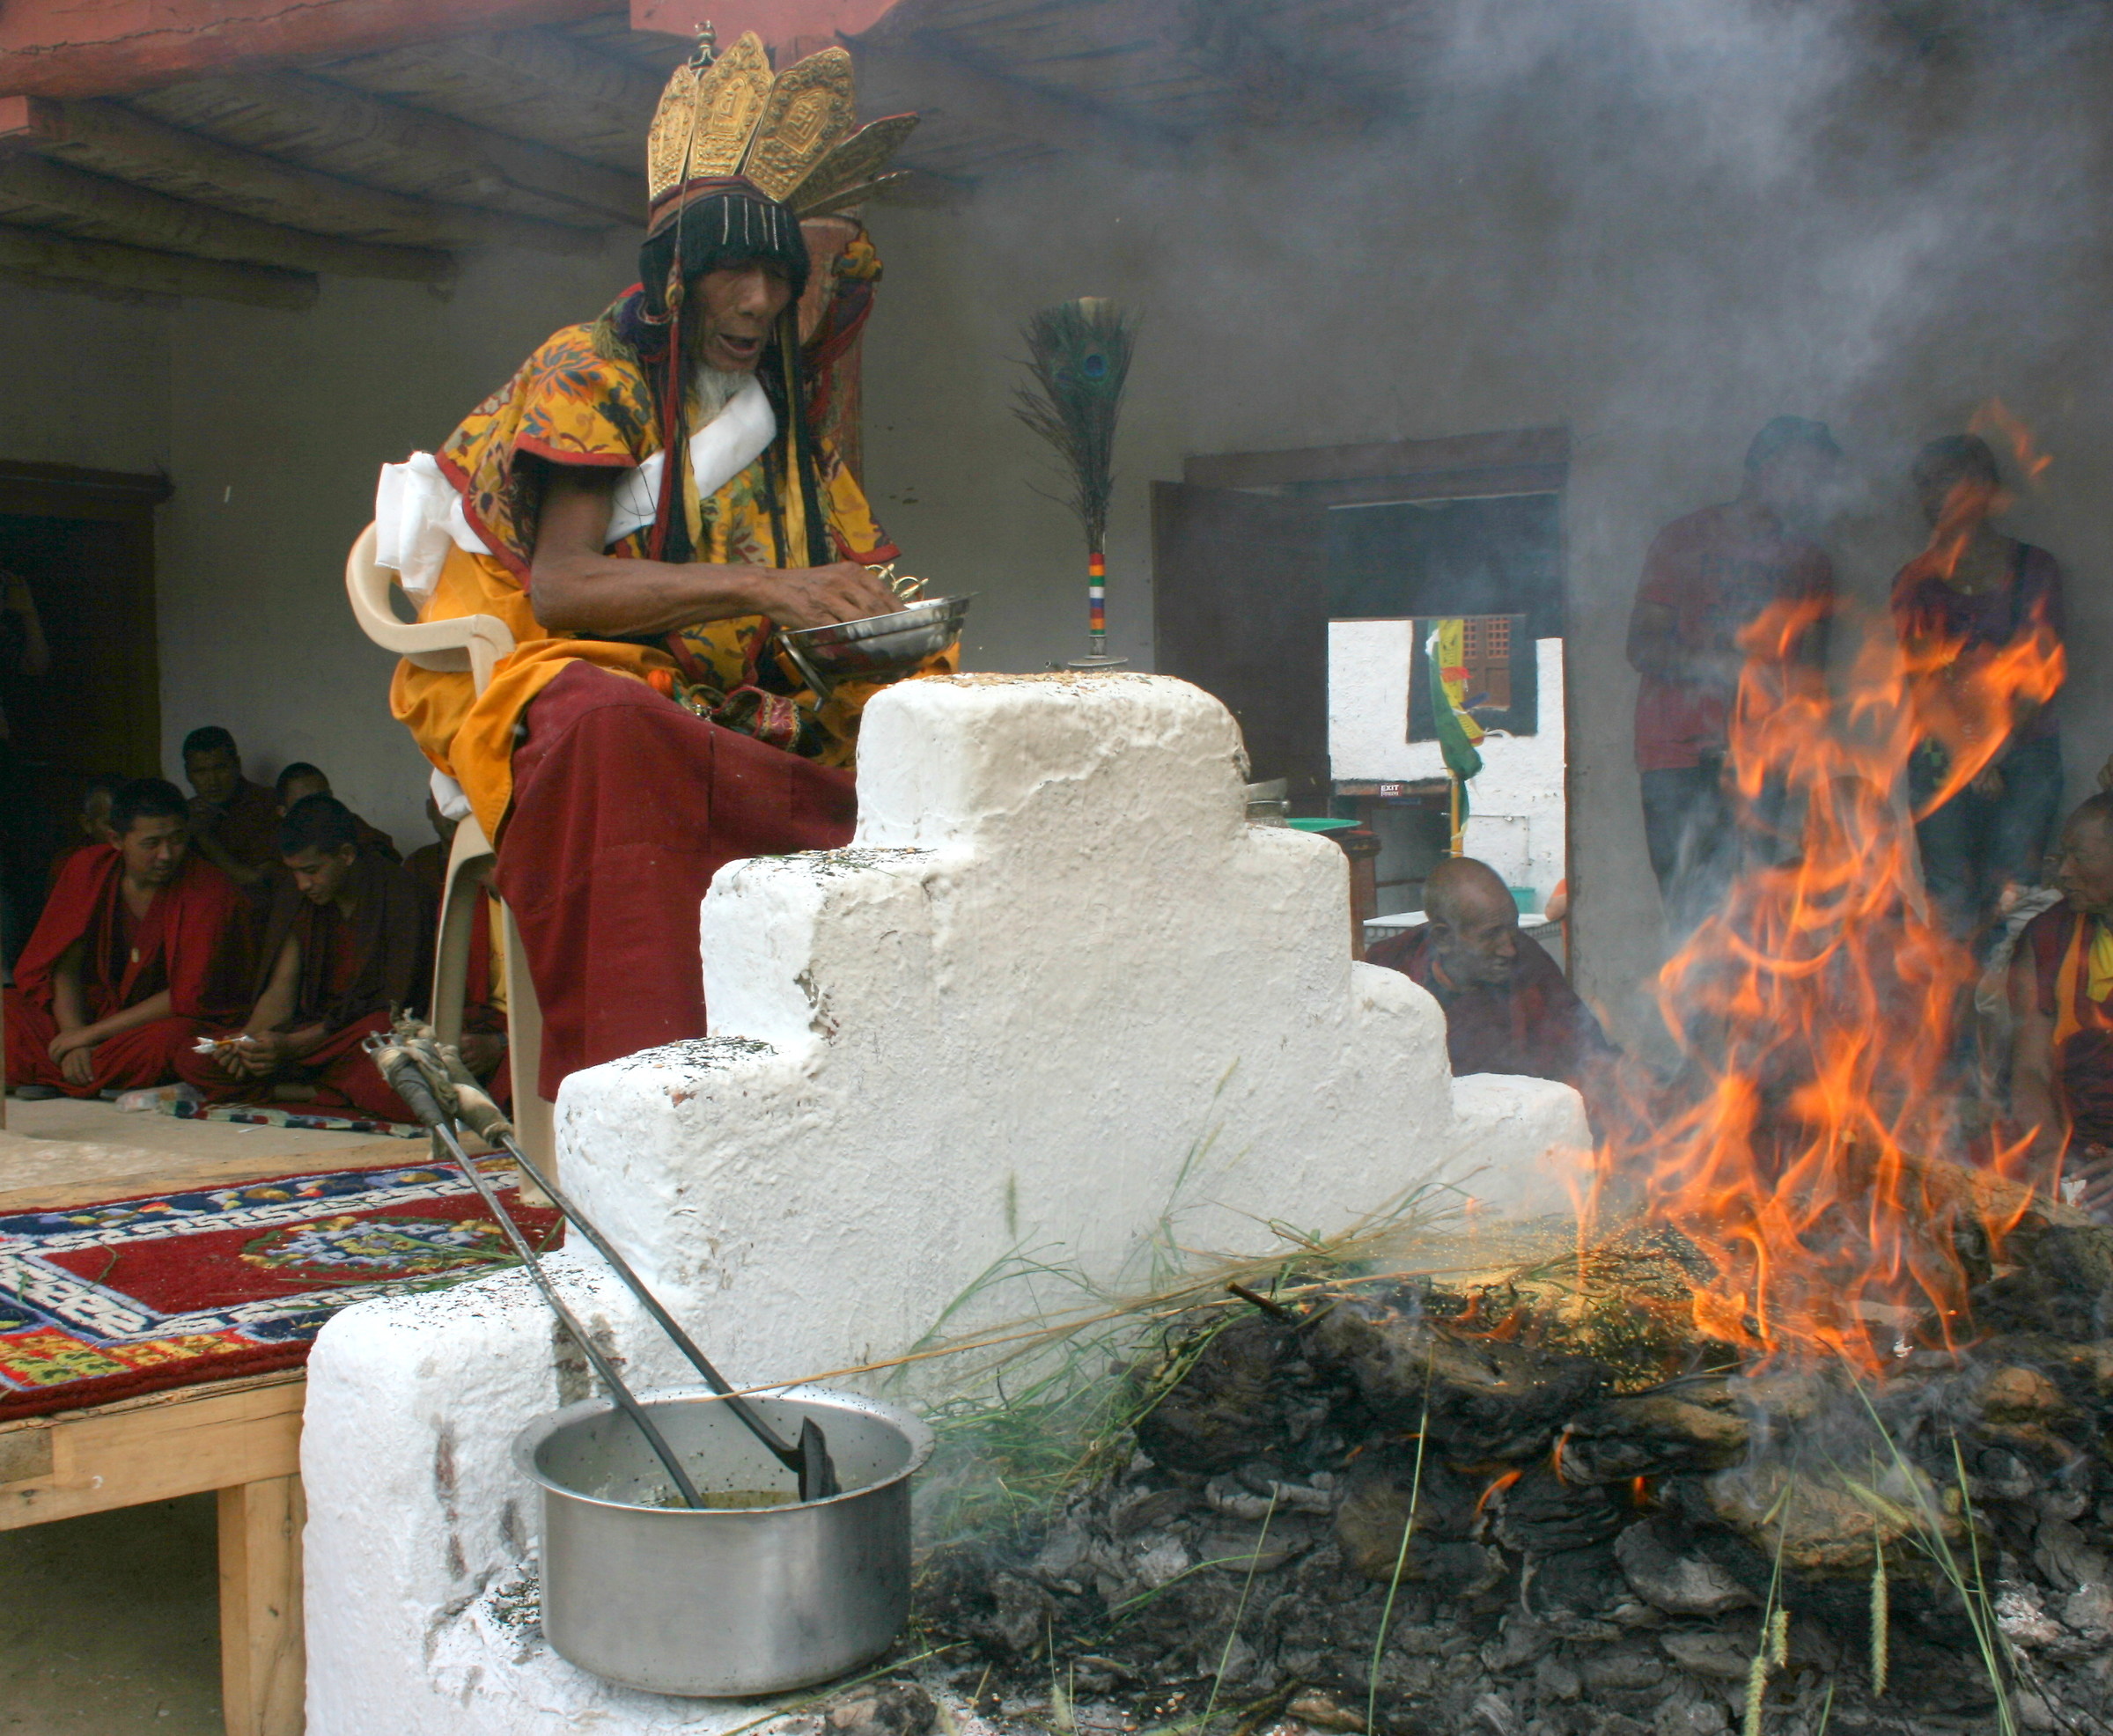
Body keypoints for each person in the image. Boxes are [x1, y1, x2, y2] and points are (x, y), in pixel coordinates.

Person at [384, 33, 948, 1102]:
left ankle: (861, 1083)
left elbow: (817, 584)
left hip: (726, 698)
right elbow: (562, 587)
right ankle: (644, 1099)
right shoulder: (589, 369)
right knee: (614, 728)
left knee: (935, 721)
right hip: (550, 671)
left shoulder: (780, 412)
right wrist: (768, 589)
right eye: (738, 271)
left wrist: (863, 628)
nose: (764, 303)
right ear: (677, 276)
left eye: (787, 277)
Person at [1626, 417, 1839, 938]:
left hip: (1761, 760)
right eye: (1804, 474)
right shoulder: (1683, 539)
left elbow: (1812, 673)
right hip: (1677, 755)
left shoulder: (1810, 560)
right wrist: (1726, 668)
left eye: (1819, 478)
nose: (1812, 491)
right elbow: (1642, 646)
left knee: (1753, 909)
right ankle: (1694, 997)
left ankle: (1748, 996)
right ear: (1763, 468)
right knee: (1690, 914)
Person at [1894, 434, 2066, 944]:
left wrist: (1992, 751)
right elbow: (1922, 685)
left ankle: (2005, 993)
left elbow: (2039, 680)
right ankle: (1955, 996)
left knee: (2016, 894)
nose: (1932, 497)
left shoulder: (2035, 570)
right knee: (1949, 897)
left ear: (1984, 488)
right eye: (1924, 485)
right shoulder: (1914, 582)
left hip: (2023, 749)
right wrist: (1968, 755)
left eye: (1945, 482)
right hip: (1940, 751)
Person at [176, 795, 431, 1121]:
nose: (302, 884)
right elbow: (281, 991)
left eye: (311, 871)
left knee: (386, 1045)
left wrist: (293, 1046)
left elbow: (396, 1006)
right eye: (294, 872)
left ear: (346, 854)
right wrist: (246, 1043)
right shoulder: (300, 897)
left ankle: (301, 1091)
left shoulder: (400, 894)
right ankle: (327, 1090)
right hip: (307, 1037)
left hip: (355, 1038)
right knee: (192, 1057)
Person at [4, 777, 250, 1098]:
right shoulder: (88, 868)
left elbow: (186, 994)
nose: (166, 855)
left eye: (177, 839)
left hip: (155, 1021)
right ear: (116, 839)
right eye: (152, 843)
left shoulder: (209, 888)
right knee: (7, 1008)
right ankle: (95, 1073)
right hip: (91, 1011)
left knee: (177, 1041)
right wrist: (73, 1034)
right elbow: (66, 965)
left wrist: (88, 1036)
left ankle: (50, 1074)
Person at [1368, 856, 1620, 1123]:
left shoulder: (1528, 962)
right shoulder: (1390, 972)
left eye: (1512, 929)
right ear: (1443, 938)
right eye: (1490, 935)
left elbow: (1586, 1050)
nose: (1509, 949)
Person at [2011, 797, 2113, 1209]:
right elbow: (2030, 1067)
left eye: (2080, 857)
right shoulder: (2050, 933)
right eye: (2062, 856)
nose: (2064, 872)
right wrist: (2049, 1153)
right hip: (2079, 1145)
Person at [182, 726, 281, 895]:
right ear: (188, 774)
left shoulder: (268, 804)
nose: (212, 781)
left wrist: (203, 837)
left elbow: (258, 881)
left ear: (237, 765)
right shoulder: (183, 813)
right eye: (200, 772)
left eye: (220, 768)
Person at [274, 762, 400, 860]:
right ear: (283, 812)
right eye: (305, 803)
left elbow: (383, 856)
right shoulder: (273, 841)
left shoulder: (347, 822)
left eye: (324, 798)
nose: (317, 807)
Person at [48, 775, 118, 889]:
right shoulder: (68, 866)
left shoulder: (140, 860)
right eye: (111, 824)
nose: (122, 831)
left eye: (128, 823)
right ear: (87, 824)